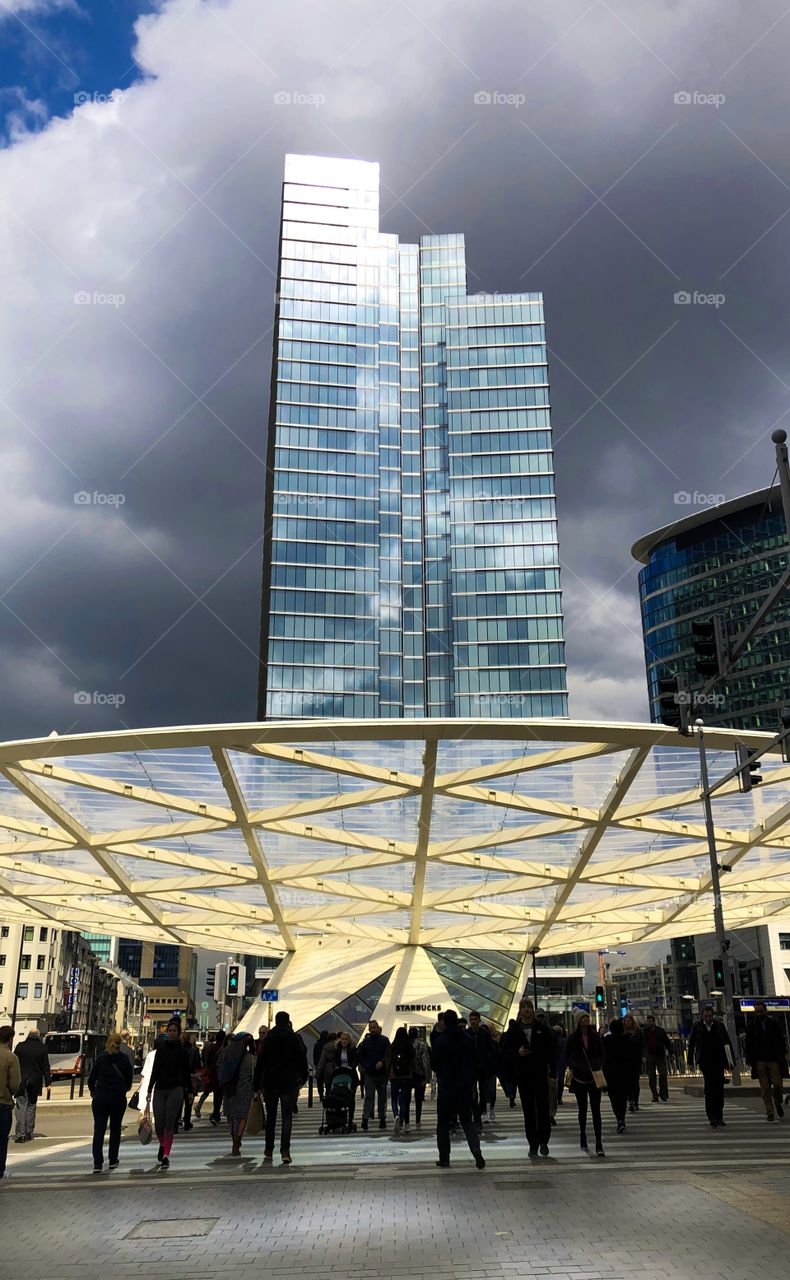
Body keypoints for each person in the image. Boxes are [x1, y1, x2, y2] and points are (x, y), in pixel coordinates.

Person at [430, 1008, 485, 1170]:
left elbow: (434, 1064)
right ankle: (476, 1151)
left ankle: (444, 1158)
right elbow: (475, 1062)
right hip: (464, 1087)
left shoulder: (440, 1041)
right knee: (467, 1121)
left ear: (445, 1022)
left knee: (442, 1123)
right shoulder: (467, 1039)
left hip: (447, 1086)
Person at [502, 997, 556, 1157]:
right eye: (524, 1007)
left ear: (532, 1009)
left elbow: (552, 1051)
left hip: (540, 1073)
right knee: (528, 1111)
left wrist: (552, 1073)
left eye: (529, 1007)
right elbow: (506, 1052)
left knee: (543, 1108)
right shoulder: (514, 1030)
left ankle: (544, 1140)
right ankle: (533, 1143)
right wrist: (517, 1053)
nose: (526, 1010)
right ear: (520, 1010)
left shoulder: (543, 1028)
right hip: (523, 1074)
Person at [254, 1009, 308, 1165]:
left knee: (271, 1117)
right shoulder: (294, 1037)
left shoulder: (269, 1038)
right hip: (288, 1082)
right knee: (287, 1117)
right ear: (287, 1021)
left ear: (276, 1021)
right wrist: (302, 1077)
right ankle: (285, 1151)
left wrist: (256, 1084)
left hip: (271, 1082)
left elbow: (261, 1062)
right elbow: (301, 1059)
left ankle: (268, 1149)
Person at [146, 1018, 192, 1169]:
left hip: (175, 1089)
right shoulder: (161, 1050)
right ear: (167, 1033)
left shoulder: (182, 1052)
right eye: (170, 1031)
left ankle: (166, 1155)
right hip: (159, 1089)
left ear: (178, 1033)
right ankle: (163, 1144)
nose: (172, 1033)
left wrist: (190, 1091)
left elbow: (186, 1073)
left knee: (169, 1124)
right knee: (159, 1125)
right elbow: (155, 1070)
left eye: (174, 1031)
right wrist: (149, 1089)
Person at [88, 1030, 133, 1172]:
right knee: (115, 1129)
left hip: (101, 1097)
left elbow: (91, 1080)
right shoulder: (124, 1059)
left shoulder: (101, 1059)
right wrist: (121, 1090)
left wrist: (94, 1092)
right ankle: (113, 1160)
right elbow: (129, 1081)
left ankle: (97, 1163)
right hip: (117, 1098)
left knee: (99, 1130)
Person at [565, 1011, 606, 1157]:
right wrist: (573, 1065)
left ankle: (599, 1143)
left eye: (587, 1017)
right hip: (579, 1078)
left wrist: (598, 1064)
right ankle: (583, 1134)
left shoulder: (595, 1037)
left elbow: (602, 1054)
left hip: (593, 1077)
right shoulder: (573, 1038)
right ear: (578, 1021)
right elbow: (567, 1056)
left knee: (596, 1111)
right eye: (583, 1018)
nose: (585, 1020)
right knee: (582, 1110)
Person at [688, 1006, 734, 1128]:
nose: (708, 1018)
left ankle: (719, 1116)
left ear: (712, 1015)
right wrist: (690, 1062)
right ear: (702, 1016)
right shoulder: (697, 1027)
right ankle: (712, 1117)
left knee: (719, 1090)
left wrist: (730, 1061)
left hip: (718, 1061)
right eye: (706, 1016)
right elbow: (691, 1044)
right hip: (705, 1062)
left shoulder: (719, 1026)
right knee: (709, 1089)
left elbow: (727, 1043)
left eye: (710, 1016)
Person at [744, 1000, 787, 1122]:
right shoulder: (752, 1026)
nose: (759, 1013)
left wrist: (782, 1054)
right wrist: (750, 1059)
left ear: (765, 1011)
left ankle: (778, 1102)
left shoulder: (773, 1023)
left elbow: (781, 1039)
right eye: (757, 1011)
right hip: (760, 1060)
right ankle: (770, 1112)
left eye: (761, 1011)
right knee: (765, 1087)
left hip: (773, 1059)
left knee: (778, 1084)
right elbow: (749, 1044)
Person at [14, 1028, 51, 1144]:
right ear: (38, 1036)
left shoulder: (20, 1047)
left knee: (21, 1106)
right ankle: (29, 1132)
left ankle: (20, 1134)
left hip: (21, 1079)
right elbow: (45, 1066)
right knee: (31, 1105)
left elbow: (14, 1063)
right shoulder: (42, 1048)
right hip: (35, 1080)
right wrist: (48, 1082)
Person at [222, 1032, 256, 1156]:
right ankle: (237, 1141)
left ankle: (234, 1140)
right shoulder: (250, 1058)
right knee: (242, 1117)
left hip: (229, 1090)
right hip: (245, 1090)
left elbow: (220, 1070)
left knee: (231, 1116)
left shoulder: (226, 1055)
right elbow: (254, 1075)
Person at [317, 1031, 359, 1125]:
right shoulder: (337, 1049)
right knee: (338, 1096)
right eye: (342, 1039)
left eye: (346, 1039)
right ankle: (339, 1118)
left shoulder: (353, 1049)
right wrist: (336, 1067)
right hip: (339, 1074)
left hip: (351, 1075)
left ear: (349, 1041)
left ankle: (350, 1119)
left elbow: (356, 1060)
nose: (344, 1041)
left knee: (351, 1098)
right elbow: (334, 1060)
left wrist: (351, 1067)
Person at [357, 1019, 390, 1131]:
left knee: (382, 1097)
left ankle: (382, 1118)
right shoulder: (365, 1042)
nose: (372, 1030)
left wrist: (382, 1061)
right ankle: (365, 1119)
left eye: (374, 1027)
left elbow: (387, 1054)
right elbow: (360, 1056)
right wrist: (366, 1065)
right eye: (370, 1028)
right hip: (369, 1073)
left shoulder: (384, 1040)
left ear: (378, 1028)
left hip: (381, 1074)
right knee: (369, 1097)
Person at [468, 1010, 495, 1131]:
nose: (473, 1022)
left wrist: (488, 1065)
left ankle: (478, 1115)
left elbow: (490, 1051)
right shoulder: (466, 1034)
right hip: (471, 1069)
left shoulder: (484, 1034)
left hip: (483, 1069)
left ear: (479, 1020)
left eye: (475, 1019)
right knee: (473, 1095)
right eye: (471, 1019)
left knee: (484, 1094)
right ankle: (477, 1120)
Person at [0, 1025, 21, 1182]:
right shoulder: (10, 1057)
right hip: (3, 1103)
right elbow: (14, 1083)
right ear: (10, 1039)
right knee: (1, 1140)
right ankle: (0, 1173)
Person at [603, 1019, 630, 1134]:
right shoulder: (627, 1039)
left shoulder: (606, 1040)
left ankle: (618, 1118)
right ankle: (622, 1118)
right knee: (622, 1097)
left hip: (610, 1072)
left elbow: (602, 1055)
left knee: (614, 1097)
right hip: (623, 1071)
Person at [387, 1026, 415, 1135]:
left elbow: (388, 1062)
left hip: (395, 1077)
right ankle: (401, 1121)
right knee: (404, 1102)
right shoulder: (410, 1048)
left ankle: (396, 1116)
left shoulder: (392, 1046)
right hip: (406, 1077)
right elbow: (413, 1063)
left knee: (394, 1100)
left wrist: (389, 1074)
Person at [195, 1029, 226, 1124]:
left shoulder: (212, 1047)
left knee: (207, 1091)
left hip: (211, 1073)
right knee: (218, 1095)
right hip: (220, 1074)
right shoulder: (223, 1048)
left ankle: (200, 1107)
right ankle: (216, 1114)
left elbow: (207, 1060)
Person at [643, 1014, 673, 1103]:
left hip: (660, 1055)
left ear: (654, 1022)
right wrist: (643, 1055)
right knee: (651, 1076)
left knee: (663, 1074)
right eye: (647, 1021)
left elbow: (667, 1042)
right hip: (649, 1055)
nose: (649, 1023)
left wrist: (671, 1053)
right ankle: (654, 1095)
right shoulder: (644, 1031)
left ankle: (663, 1093)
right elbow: (642, 1044)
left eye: (650, 1021)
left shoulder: (660, 1031)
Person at [177, 1030, 202, 1131]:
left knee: (179, 1101)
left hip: (179, 1078)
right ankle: (187, 1121)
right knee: (189, 1101)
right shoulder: (194, 1050)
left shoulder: (178, 1050)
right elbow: (198, 1065)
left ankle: (177, 1120)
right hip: (191, 1077)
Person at [622, 1013, 644, 1112]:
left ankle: (635, 1101)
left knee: (635, 1082)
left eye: (629, 1020)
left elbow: (643, 1045)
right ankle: (630, 1100)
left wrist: (643, 1056)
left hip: (636, 1059)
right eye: (626, 1021)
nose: (628, 1022)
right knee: (627, 1081)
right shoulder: (623, 1033)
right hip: (626, 1060)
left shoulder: (639, 1032)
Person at [409, 1027, 431, 1126]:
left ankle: (405, 1120)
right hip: (419, 1074)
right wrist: (427, 1077)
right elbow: (425, 1061)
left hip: (407, 1075)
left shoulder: (405, 1044)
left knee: (406, 1098)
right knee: (418, 1099)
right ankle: (418, 1119)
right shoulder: (422, 1045)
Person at [552, 1024, 567, 1113]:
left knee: (553, 1080)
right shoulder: (565, 1041)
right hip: (562, 1062)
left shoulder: (551, 1040)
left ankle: (554, 1097)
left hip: (554, 1061)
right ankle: (559, 1098)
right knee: (561, 1080)